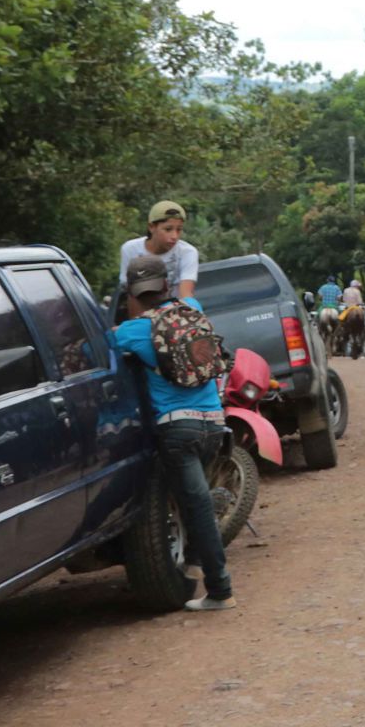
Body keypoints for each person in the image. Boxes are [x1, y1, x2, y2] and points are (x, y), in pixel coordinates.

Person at [111, 254, 233, 611]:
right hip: (213, 423)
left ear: (131, 294)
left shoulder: (134, 330)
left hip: (177, 430)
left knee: (195, 507)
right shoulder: (191, 307)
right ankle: (194, 563)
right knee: (195, 501)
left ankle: (220, 591)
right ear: (165, 286)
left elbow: (94, 352)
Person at [119, 199, 199, 302]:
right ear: (152, 227)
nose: (174, 236)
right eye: (168, 229)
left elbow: (186, 294)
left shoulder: (187, 252)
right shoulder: (130, 249)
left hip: (173, 310)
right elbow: (128, 290)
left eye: (179, 230)